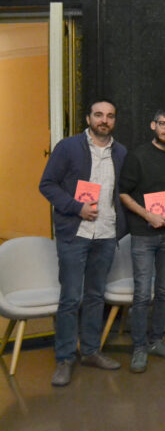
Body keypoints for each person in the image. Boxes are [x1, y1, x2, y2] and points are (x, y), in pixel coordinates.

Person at [40, 100, 125, 387]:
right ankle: (64, 358)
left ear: (114, 121)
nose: (104, 120)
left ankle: (90, 351)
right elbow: (47, 184)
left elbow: (122, 191)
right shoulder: (68, 147)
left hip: (105, 234)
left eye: (110, 116)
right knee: (70, 299)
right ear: (88, 117)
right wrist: (77, 208)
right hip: (75, 234)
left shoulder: (121, 152)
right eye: (99, 115)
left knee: (95, 297)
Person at [119, 108, 165, 373]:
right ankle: (139, 347)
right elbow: (123, 193)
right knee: (143, 293)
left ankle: (157, 340)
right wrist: (148, 215)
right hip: (144, 234)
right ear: (152, 125)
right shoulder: (138, 156)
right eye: (163, 124)